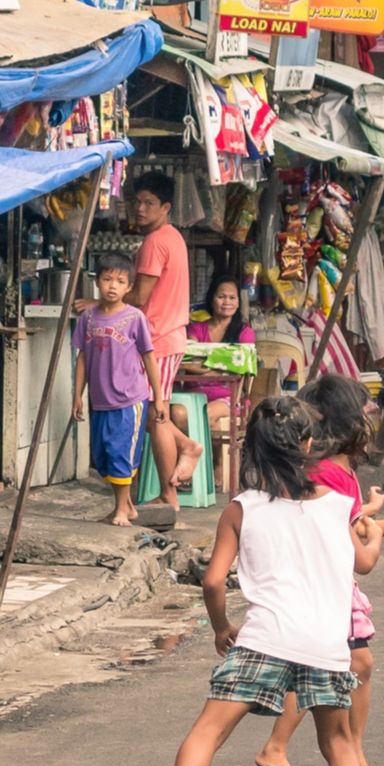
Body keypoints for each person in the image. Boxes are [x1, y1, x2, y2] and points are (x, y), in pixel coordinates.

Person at [174, 397, 382, 766]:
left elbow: (214, 581)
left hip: (264, 640)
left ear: (251, 446)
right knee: (338, 742)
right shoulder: (338, 505)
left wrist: (222, 627)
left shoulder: (241, 508)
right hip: (326, 645)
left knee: (207, 731)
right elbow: (364, 563)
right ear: (307, 445)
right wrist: (378, 534)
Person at [254, 377, 384, 766]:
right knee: (327, 666)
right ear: (345, 421)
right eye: (364, 410)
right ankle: (288, 749)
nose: (370, 416)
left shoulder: (336, 470)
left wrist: (371, 509)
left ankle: (345, 753)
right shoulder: (328, 472)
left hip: (330, 585)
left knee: (351, 664)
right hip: (328, 587)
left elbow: (350, 521)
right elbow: (347, 531)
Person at [76, 171, 203, 511]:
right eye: (137, 202)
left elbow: (141, 298)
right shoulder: (173, 236)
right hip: (169, 334)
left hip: (158, 337)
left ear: (166, 207)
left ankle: (170, 491)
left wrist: (97, 304)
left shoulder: (154, 243)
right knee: (147, 412)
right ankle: (182, 454)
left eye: (149, 203)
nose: (140, 209)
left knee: (153, 414)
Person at [70, 256, 158, 527]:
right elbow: (82, 358)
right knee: (104, 454)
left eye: (120, 282)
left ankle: (122, 509)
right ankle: (124, 507)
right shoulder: (88, 318)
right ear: (97, 282)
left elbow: (148, 357)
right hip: (100, 400)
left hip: (129, 398)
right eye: (107, 279)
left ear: (129, 287)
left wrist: (160, 397)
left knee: (121, 453)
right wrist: (77, 395)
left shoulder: (134, 318)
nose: (112, 286)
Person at [177, 274, 255, 455]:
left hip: (230, 396)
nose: (226, 302)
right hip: (194, 394)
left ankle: (215, 464)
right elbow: (188, 361)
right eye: (221, 296)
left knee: (206, 416)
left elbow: (240, 367)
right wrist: (221, 364)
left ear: (237, 302)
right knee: (178, 415)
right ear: (211, 300)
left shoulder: (244, 333)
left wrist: (205, 366)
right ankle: (203, 466)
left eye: (232, 297)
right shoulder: (196, 329)